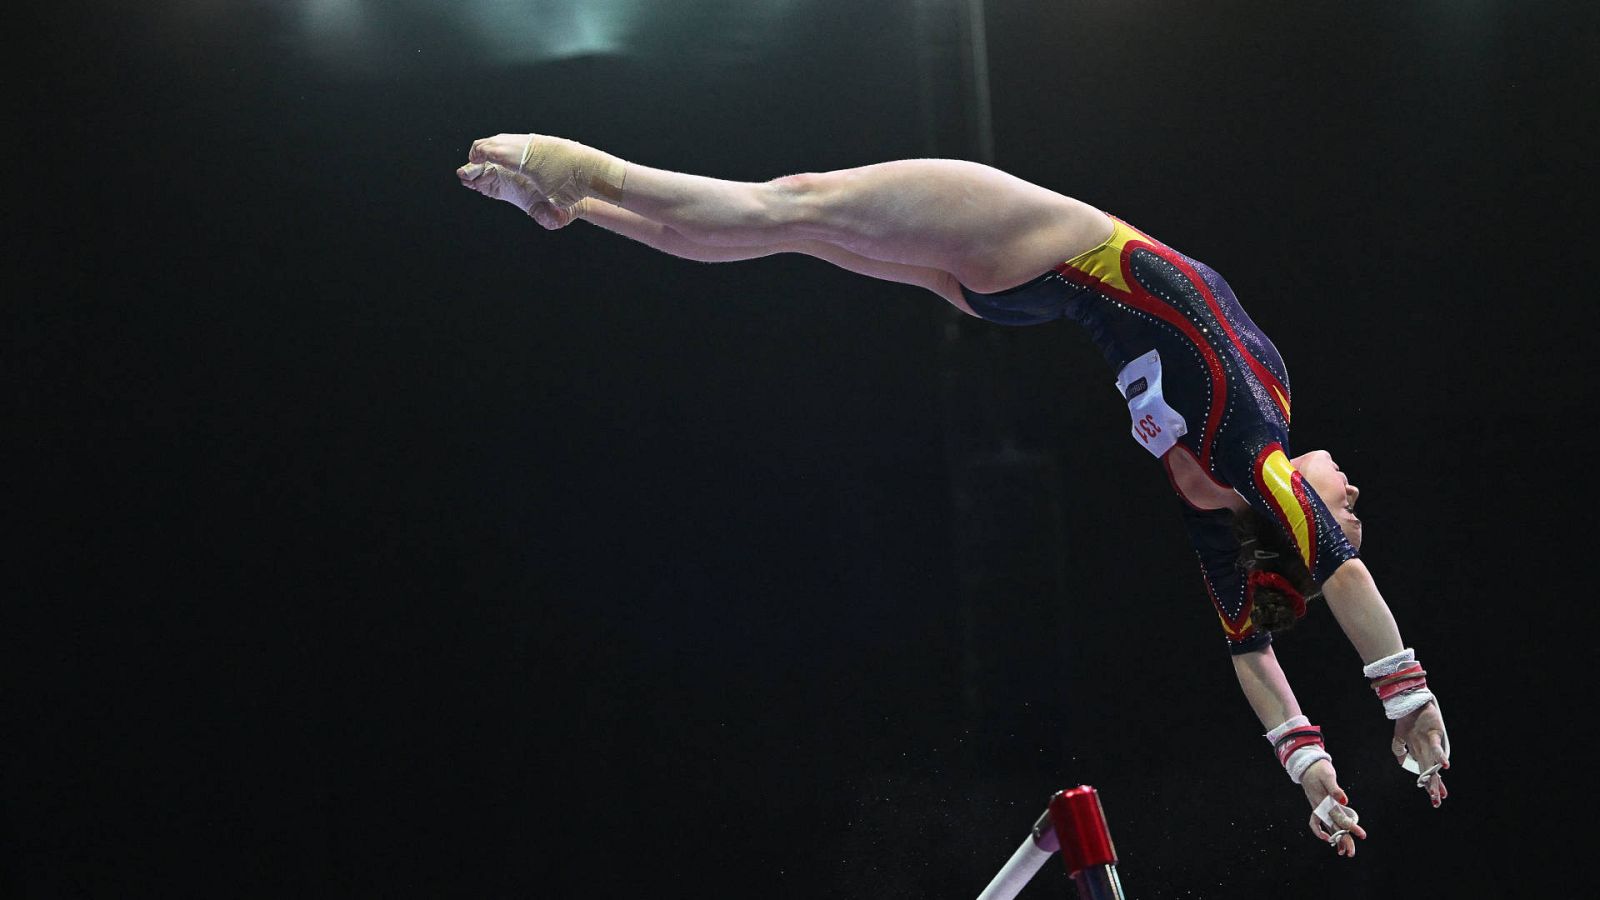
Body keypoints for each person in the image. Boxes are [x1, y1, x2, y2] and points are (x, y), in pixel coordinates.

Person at [456, 134, 1451, 857]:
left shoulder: (1253, 448)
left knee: (791, 202)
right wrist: (1312, 772)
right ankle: (581, 208)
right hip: (1020, 293)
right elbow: (1253, 646)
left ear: (1305, 523)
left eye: (1344, 500)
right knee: (789, 231)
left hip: (1051, 249)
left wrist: (1405, 693)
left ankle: (587, 169)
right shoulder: (1217, 507)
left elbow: (1336, 577)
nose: (1350, 480)